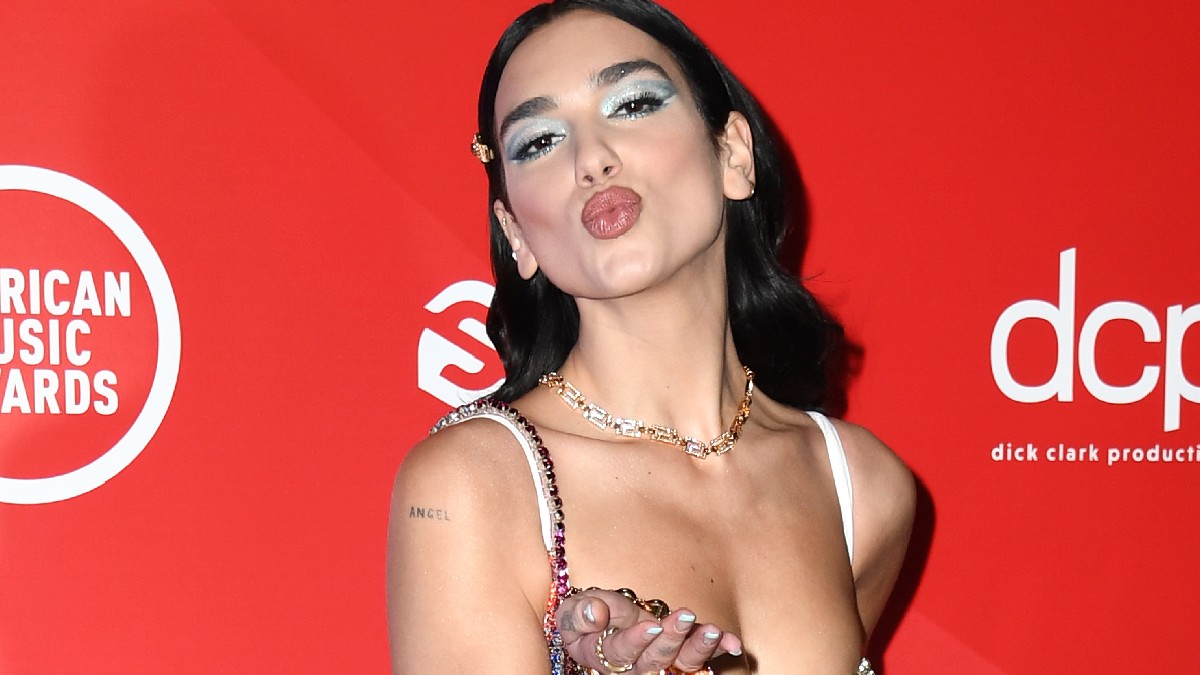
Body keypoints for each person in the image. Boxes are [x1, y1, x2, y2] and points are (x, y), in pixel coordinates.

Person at [387, 1, 915, 672]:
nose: (591, 159)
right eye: (539, 142)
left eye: (633, 104)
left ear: (733, 154)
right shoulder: (472, 485)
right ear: (516, 232)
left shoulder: (860, 488)